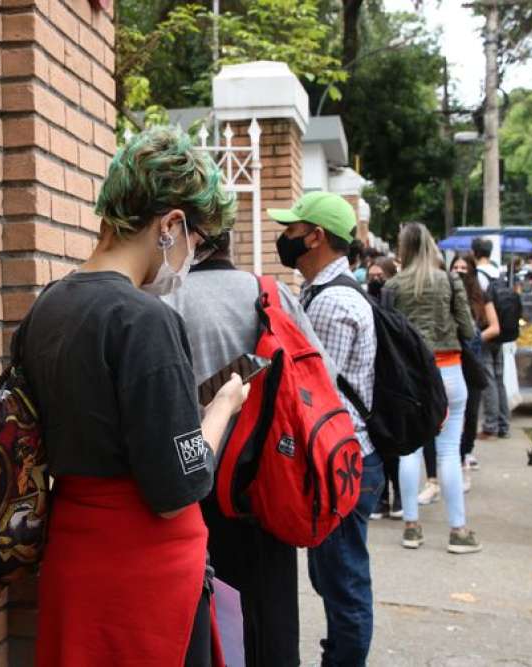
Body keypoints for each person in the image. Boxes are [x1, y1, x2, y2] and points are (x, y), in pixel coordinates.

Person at [24, 126, 247, 667]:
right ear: (170, 224)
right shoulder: (145, 320)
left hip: (73, 555)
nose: (195, 251)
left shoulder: (46, 307)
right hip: (145, 576)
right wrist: (219, 410)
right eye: (196, 237)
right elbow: (178, 486)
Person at [165, 231, 333, 667]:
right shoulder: (270, 292)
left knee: (209, 631)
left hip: (197, 492)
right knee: (272, 623)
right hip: (272, 485)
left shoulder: (166, 303)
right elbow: (320, 377)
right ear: (229, 239)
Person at [269, 191, 384, 666]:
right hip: (350, 456)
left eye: (293, 230)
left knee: (344, 584)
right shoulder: (326, 293)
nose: (286, 238)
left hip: (341, 461)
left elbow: (315, 396)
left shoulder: (331, 303)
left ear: (315, 237)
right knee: (334, 576)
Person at [389, 223, 482, 555]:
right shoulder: (450, 280)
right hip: (450, 370)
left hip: (412, 377)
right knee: (448, 453)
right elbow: (468, 330)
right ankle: (458, 531)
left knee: (410, 450)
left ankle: (412, 528)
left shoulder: (393, 285)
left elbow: (389, 334)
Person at [451, 253, 501, 490]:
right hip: (449, 358)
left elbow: (495, 327)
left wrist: (474, 339)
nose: (460, 271)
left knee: (471, 410)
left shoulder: (482, 296)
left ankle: (466, 453)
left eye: (464, 267)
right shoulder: (445, 293)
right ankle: (452, 458)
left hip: (471, 359)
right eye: (456, 267)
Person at [364, 257, 403, 520]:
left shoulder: (394, 303)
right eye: (372, 275)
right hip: (372, 384)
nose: (375, 280)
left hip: (391, 382)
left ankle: (399, 494)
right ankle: (382, 498)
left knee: (394, 447)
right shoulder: (365, 301)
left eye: (380, 275)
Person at [471, 237, 510, 439]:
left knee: (488, 379)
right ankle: (504, 424)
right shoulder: (499, 272)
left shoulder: (479, 275)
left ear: (474, 252)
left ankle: (490, 425)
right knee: (499, 378)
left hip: (486, 331)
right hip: (502, 332)